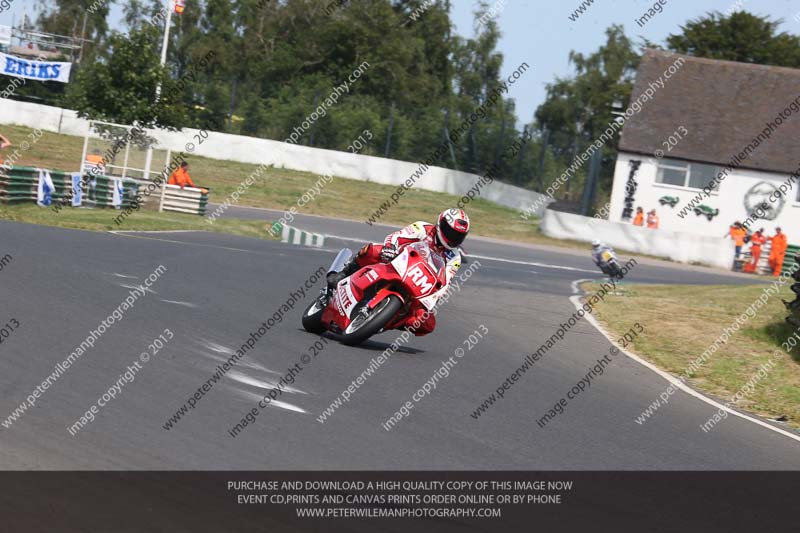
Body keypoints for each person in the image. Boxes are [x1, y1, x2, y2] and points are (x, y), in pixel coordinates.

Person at [326, 208, 470, 336]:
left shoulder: (455, 257)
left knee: (427, 323)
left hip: (419, 283)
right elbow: (397, 236)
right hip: (395, 262)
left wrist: (432, 300)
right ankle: (344, 273)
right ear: (440, 224)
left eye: (458, 236)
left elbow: (445, 281)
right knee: (372, 250)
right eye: (450, 232)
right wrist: (390, 247)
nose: (452, 238)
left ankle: (394, 320)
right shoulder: (422, 228)